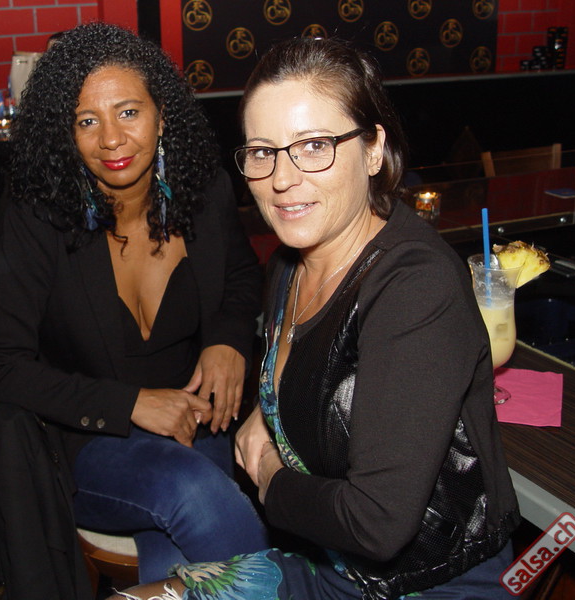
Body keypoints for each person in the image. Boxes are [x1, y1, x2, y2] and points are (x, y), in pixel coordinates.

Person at [113, 36, 520, 600]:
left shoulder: (415, 287)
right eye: (263, 152)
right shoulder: (290, 262)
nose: (282, 179)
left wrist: (269, 474)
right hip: (325, 564)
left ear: (373, 150)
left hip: (426, 586)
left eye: (313, 145)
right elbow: (315, 385)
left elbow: (376, 523)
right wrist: (265, 414)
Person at [0, 22, 268, 585]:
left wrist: (228, 340)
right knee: (196, 493)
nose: (111, 139)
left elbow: (241, 275)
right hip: (85, 438)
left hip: (192, 418)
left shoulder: (204, 191)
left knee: (187, 539)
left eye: (128, 112)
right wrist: (130, 403)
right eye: (87, 121)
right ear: (66, 131)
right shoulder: (39, 214)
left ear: (162, 114)